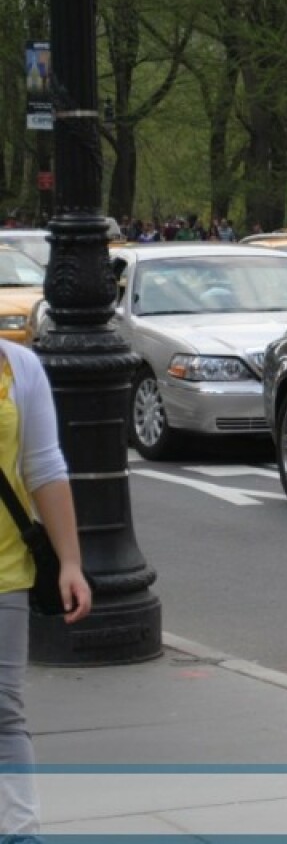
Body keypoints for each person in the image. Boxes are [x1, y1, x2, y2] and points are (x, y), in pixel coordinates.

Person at [1, 339, 93, 837]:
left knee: (3, 711)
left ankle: (21, 832)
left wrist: (70, 563)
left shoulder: (19, 368)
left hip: (4, 571)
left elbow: (44, 466)